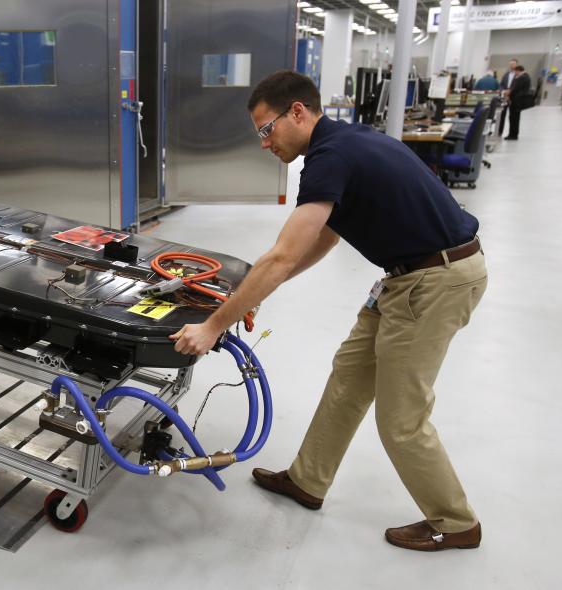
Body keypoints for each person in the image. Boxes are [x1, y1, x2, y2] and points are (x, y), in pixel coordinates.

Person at [170, 70, 487, 552]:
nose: (263, 144)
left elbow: (281, 256)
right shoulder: (344, 144)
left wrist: (216, 324)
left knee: (401, 417)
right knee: (349, 377)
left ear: (297, 112)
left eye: (265, 129)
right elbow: (323, 237)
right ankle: (308, 480)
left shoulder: (330, 155)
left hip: (434, 282)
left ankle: (456, 521)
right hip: (407, 278)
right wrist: (257, 290)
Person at [504, 64, 531, 140]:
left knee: (514, 118)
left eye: (515, 72)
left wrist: (508, 93)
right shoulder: (524, 76)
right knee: (513, 118)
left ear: (518, 71)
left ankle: (513, 135)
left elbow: (515, 88)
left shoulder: (523, 77)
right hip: (517, 100)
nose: (515, 74)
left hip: (517, 101)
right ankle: (512, 134)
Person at [498, 58, 518, 136]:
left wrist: (510, 92)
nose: (511, 65)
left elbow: (518, 86)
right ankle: (499, 131)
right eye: (510, 64)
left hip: (513, 98)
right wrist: (503, 91)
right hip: (505, 97)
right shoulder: (506, 74)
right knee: (502, 115)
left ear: (516, 65)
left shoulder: (518, 75)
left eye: (513, 64)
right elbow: (501, 84)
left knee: (512, 116)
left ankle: (512, 134)